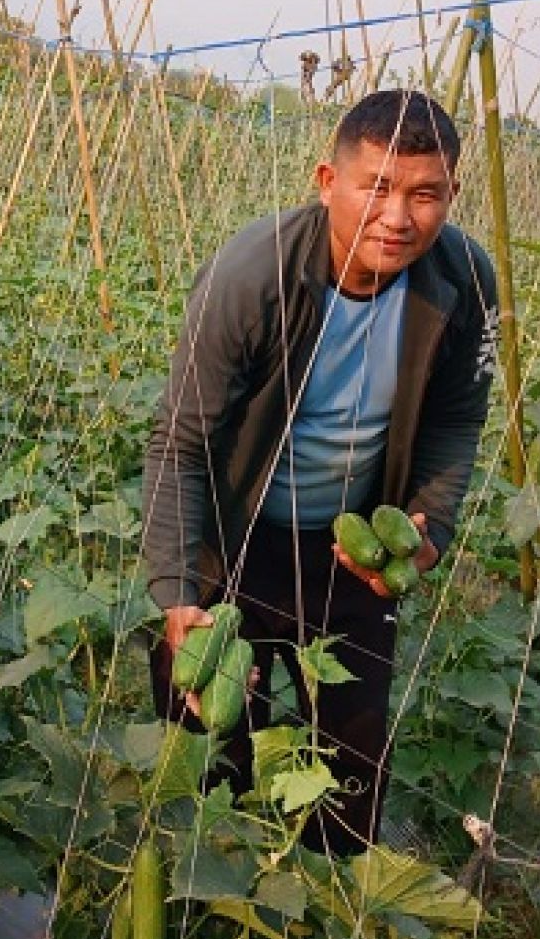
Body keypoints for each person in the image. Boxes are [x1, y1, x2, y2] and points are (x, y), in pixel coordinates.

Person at [142, 88, 498, 856]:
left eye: (425, 193)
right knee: (207, 733)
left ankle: (322, 912)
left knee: (350, 754)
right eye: (376, 186)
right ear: (327, 181)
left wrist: (429, 524)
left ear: (452, 195)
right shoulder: (253, 275)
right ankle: (210, 901)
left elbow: (455, 421)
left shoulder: (465, 280)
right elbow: (179, 440)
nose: (399, 217)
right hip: (235, 535)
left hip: (352, 550)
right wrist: (177, 593)